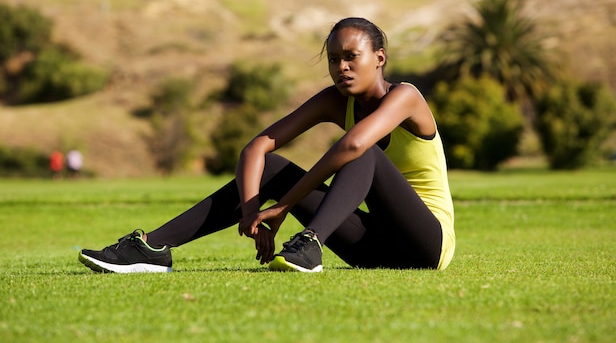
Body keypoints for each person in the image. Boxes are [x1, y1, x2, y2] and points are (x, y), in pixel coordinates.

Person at [78, 17, 455, 274]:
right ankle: (152, 248)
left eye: (351, 57)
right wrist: (252, 212)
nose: (342, 67)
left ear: (379, 58)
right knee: (273, 170)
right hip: (375, 249)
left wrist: (286, 206)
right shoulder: (334, 100)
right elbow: (257, 148)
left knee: (363, 150)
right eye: (334, 59)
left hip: (427, 245)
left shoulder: (406, 96)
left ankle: (310, 244)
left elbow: (354, 145)